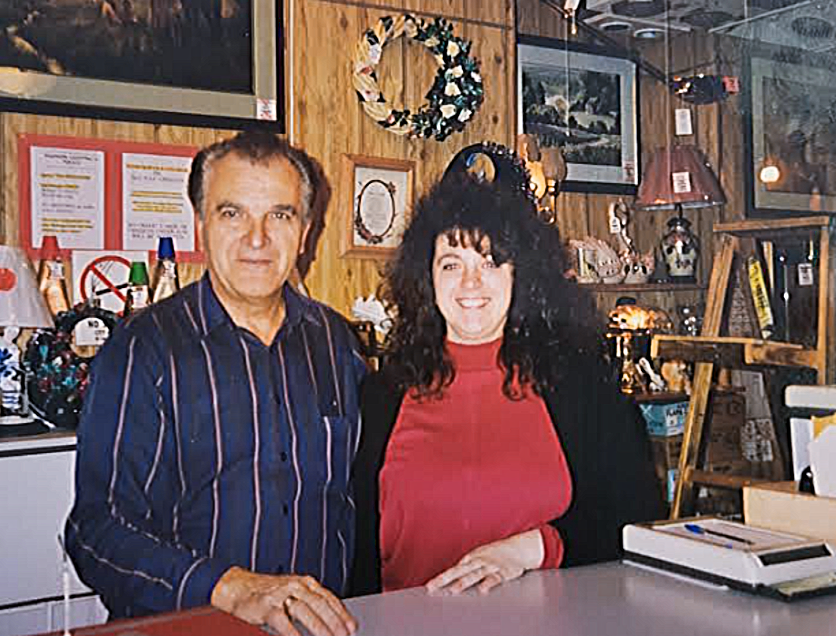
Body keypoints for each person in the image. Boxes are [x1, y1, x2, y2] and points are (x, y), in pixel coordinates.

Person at [66, 132, 362, 636]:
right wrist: (230, 588)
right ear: (200, 224)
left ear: (306, 232)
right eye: (233, 214)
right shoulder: (143, 349)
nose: (256, 238)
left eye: (280, 215)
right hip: (188, 627)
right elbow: (96, 531)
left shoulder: (335, 342)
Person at [350, 165, 664, 597]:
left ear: (521, 274)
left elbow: (639, 513)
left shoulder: (580, 382)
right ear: (426, 279)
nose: (471, 283)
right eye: (451, 264)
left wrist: (535, 547)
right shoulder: (381, 396)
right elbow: (355, 549)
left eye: (492, 261)